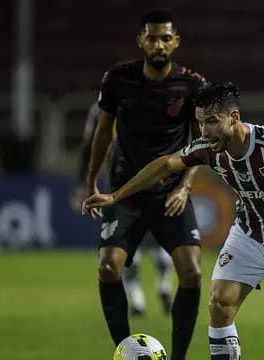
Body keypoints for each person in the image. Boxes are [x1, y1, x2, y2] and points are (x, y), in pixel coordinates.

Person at [84, 81, 264, 360]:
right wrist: (115, 196)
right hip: (250, 234)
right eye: (201, 123)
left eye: (212, 122)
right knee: (219, 303)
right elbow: (167, 164)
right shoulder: (206, 148)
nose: (205, 131)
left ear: (234, 118)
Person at [82, 8, 207, 360]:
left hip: (171, 195)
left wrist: (184, 187)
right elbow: (103, 133)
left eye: (166, 38)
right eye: (152, 37)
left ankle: (179, 357)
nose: (159, 44)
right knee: (108, 267)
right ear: (141, 40)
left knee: (193, 273)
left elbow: (201, 146)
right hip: (126, 192)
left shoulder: (192, 85)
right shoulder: (118, 80)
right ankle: (125, 351)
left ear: (176, 41)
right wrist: (92, 181)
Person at [70, 102, 174, 316]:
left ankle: (137, 300)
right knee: (160, 239)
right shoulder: (154, 102)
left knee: (125, 242)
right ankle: (163, 285)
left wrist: (83, 183)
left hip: (122, 184)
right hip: (156, 181)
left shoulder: (100, 109)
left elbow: (88, 145)